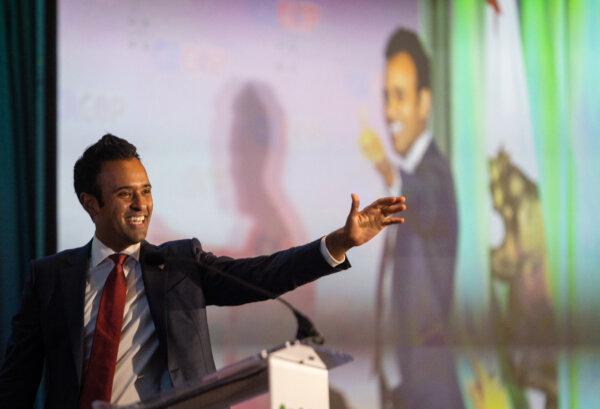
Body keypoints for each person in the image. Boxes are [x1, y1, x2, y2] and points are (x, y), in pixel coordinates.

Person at [0, 134, 407, 409]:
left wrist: (339, 242)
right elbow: (17, 382)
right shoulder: (51, 277)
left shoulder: (180, 265)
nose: (141, 205)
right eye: (126, 195)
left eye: (146, 190)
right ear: (92, 204)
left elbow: (263, 274)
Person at [361, 28, 462, 408]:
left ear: (424, 102)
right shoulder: (419, 173)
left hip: (430, 387)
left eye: (399, 97)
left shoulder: (434, 174)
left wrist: (387, 171)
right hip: (404, 386)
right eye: (386, 97)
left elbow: (423, 202)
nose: (388, 112)